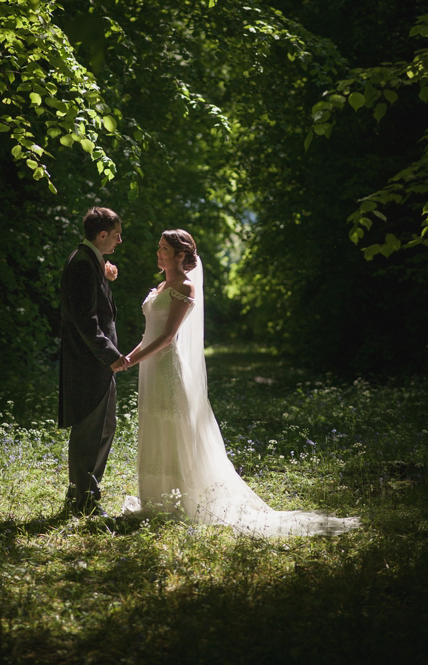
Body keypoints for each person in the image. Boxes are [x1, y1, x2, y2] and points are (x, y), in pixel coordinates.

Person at [120, 229, 360, 537]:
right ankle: (156, 499)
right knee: (153, 424)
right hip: (149, 366)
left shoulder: (185, 287)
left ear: (180, 255)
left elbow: (167, 337)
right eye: (159, 247)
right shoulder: (162, 285)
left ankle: (179, 500)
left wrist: (131, 360)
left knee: (171, 426)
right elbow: (148, 335)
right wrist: (129, 359)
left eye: (164, 248)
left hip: (166, 367)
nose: (158, 252)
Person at [58, 207, 125, 516]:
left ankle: (87, 493)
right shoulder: (82, 265)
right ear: (101, 235)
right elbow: (87, 322)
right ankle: (81, 500)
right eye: (115, 235)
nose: (119, 241)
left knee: (105, 427)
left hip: (97, 363)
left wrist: (105, 273)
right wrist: (111, 357)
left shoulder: (91, 263)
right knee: (89, 432)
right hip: (89, 363)